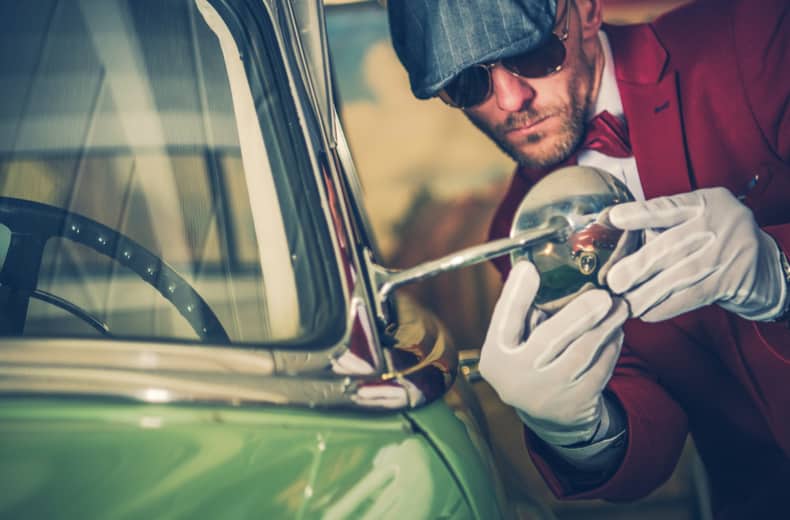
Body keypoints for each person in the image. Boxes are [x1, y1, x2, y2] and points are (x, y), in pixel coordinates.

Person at [387, 0, 790, 517]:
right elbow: (650, 433)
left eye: (534, 54)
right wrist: (579, 431)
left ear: (587, 13)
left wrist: (779, 271)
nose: (511, 101)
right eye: (467, 84)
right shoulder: (522, 232)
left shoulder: (754, 35)